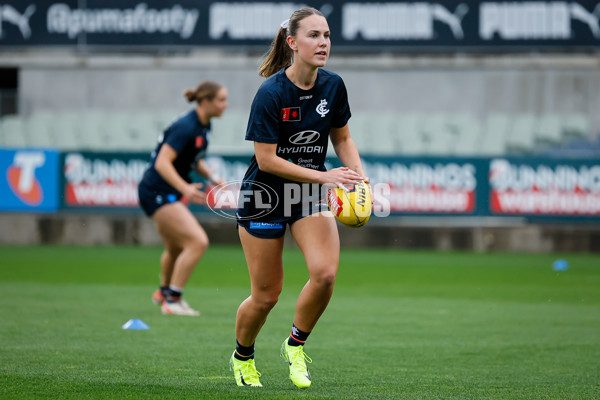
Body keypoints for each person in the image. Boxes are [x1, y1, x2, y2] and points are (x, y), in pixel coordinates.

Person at [229, 8, 368, 388]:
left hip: (308, 196)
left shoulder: (333, 85)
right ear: (292, 43)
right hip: (264, 197)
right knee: (266, 295)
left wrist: (357, 176)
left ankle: (295, 345)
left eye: (326, 35)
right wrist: (325, 176)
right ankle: (243, 357)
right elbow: (266, 159)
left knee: (324, 275)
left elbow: (342, 137)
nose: (323, 42)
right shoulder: (271, 93)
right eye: (313, 35)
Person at [137, 81, 228, 316]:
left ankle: (164, 293)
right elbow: (162, 162)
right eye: (221, 100)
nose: (225, 105)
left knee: (176, 247)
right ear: (205, 101)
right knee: (198, 241)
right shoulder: (186, 126)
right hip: (156, 190)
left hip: (163, 190)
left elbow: (193, 159)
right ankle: (173, 301)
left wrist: (212, 176)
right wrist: (185, 188)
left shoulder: (202, 126)